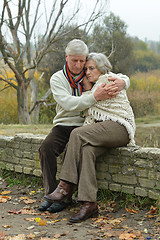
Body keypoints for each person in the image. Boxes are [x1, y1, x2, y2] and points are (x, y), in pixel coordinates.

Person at [38, 40, 130, 213]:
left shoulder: (92, 75)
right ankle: (51, 193)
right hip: (65, 124)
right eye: (75, 61)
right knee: (46, 149)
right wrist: (94, 96)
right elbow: (69, 103)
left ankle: (66, 195)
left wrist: (124, 82)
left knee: (73, 147)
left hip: (84, 125)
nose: (80, 65)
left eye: (82, 61)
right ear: (66, 58)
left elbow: (115, 75)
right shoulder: (58, 78)